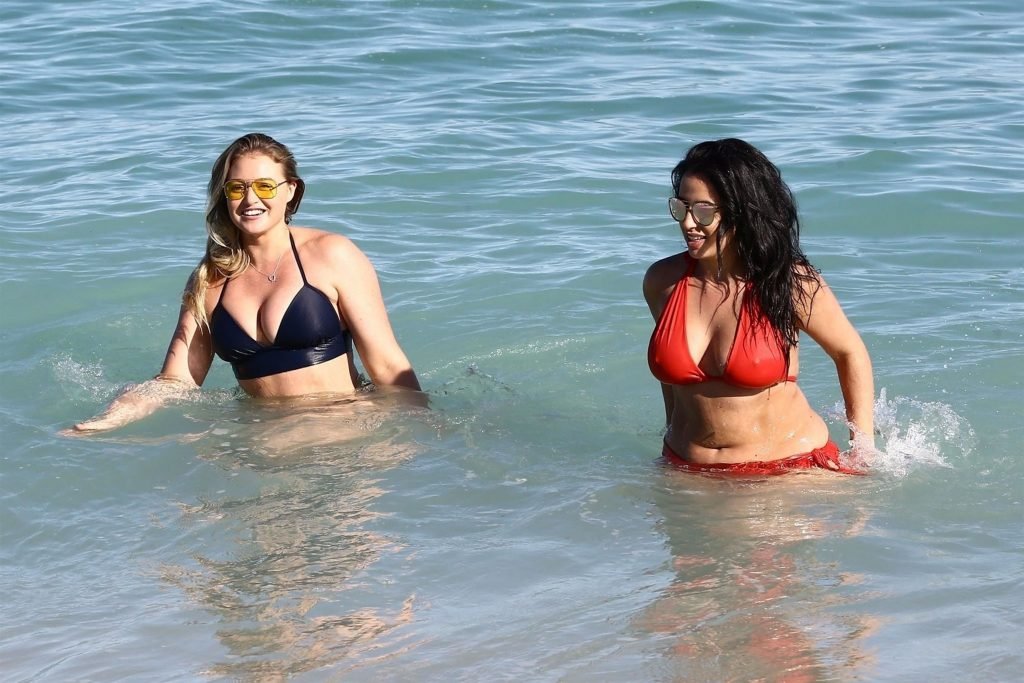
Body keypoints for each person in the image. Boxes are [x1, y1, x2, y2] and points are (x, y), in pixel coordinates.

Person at [67, 132, 420, 434]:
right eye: (237, 188)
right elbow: (177, 381)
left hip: (347, 438)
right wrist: (116, 414)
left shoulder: (331, 255)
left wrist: (424, 434)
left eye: (265, 186)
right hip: (262, 448)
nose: (251, 200)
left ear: (291, 190)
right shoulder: (209, 279)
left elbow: (387, 366)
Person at [644, 138, 874, 474]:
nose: (688, 223)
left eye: (703, 210)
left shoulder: (789, 282)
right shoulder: (662, 281)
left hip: (787, 471)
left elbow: (849, 353)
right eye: (681, 207)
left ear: (741, 212)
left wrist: (863, 449)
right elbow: (673, 382)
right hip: (685, 468)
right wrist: (671, 438)